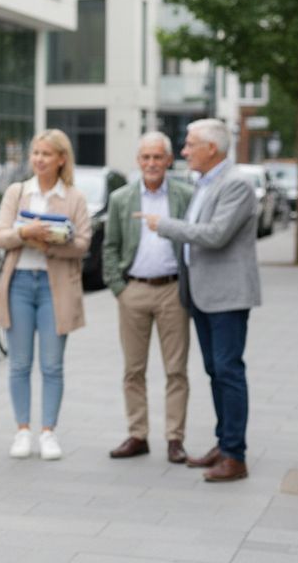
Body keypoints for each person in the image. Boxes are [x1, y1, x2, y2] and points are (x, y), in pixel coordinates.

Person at [137, 118, 259, 482]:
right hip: (203, 295)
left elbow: (216, 234)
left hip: (227, 296)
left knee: (228, 372)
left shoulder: (235, 184)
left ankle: (235, 456)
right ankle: (224, 444)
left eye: (190, 145)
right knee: (215, 372)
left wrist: (164, 225)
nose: (185, 151)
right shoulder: (204, 184)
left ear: (212, 149)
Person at [0, 129, 92, 461]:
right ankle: (23, 430)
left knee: (52, 365)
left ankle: (48, 432)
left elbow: (83, 245)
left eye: (46, 154)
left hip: (55, 287)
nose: (39, 159)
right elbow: (2, 236)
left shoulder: (74, 197)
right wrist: (26, 232)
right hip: (19, 283)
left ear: (61, 159)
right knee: (19, 363)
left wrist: (49, 243)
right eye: (35, 153)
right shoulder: (18, 192)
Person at [102, 132, 194, 464]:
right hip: (134, 291)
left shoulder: (186, 195)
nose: (152, 164)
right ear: (138, 161)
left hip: (173, 290)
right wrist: (119, 288)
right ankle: (137, 434)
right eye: (146, 158)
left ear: (169, 160)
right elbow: (109, 246)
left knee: (176, 369)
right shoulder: (121, 199)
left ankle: (174, 438)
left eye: (158, 157)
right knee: (133, 369)